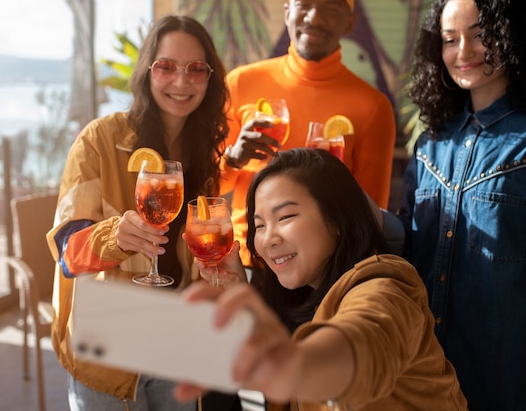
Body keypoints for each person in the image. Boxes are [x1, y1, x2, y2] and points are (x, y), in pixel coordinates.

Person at [382, 0, 526, 408]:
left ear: (515, 37)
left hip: (508, 381)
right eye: (450, 39)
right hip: (424, 375)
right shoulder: (429, 145)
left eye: (480, 35)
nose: (463, 52)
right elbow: (408, 246)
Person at [46, 15, 240, 410]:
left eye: (196, 69)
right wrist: (113, 238)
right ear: (147, 72)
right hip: (107, 335)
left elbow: (198, 248)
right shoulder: (99, 140)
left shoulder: (203, 155)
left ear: (211, 78)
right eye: (166, 67)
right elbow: (68, 254)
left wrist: (216, 266)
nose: (182, 82)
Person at [176, 148, 468, 410]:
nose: (269, 239)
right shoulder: (301, 298)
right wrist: (241, 293)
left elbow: (366, 340)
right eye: (259, 225)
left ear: (337, 220)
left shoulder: (385, 283)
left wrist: (296, 367)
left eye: (286, 217)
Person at [220, 0, 397, 266]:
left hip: (324, 273)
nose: (314, 18)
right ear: (287, 11)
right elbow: (210, 187)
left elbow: (370, 218)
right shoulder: (240, 83)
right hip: (246, 263)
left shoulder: (373, 107)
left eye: (331, 8)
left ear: (349, 23)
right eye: (304, 4)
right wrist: (234, 158)